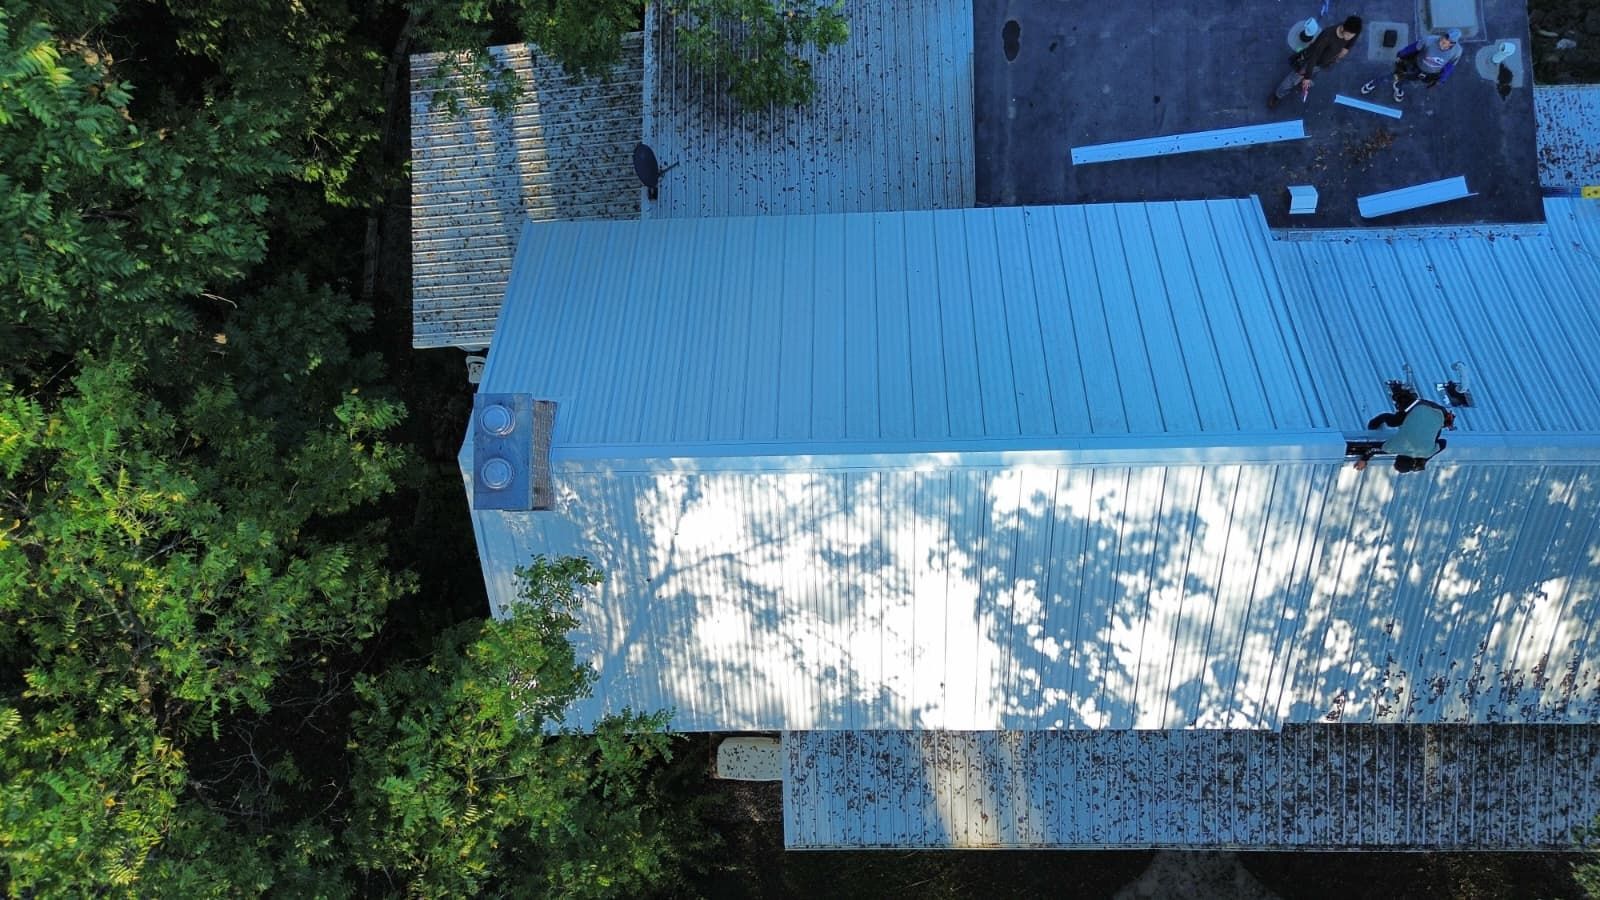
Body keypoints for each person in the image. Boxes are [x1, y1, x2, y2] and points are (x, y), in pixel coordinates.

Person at [1269, 15, 1364, 109]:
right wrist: (1307, 77)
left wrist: (1346, 48)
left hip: (1323, 63)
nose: (1349, 38)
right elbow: (1314, 56)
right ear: (1343, 28)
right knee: (1292, 80)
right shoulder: (1327, 36)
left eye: (1352, 36)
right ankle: (1278, 95)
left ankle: (1305, 79)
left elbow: (1353, 38)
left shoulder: (1352, 31)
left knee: (1311, 74)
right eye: (1348, 35)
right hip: (1311, 62)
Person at [1352, 398, 1456, 472]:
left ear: (1413, 462)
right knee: (1394, 422)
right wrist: (1363, 460)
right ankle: (1376, 422)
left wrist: (1426, 459)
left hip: (1441, 412)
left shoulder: (1426, 453)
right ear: (1397, 457)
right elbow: (1373, 449)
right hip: (1417, 404)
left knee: (1435, 435)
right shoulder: (1392, 448)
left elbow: (1443, 442)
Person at [1361, 29, 1463, 102]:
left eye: (1445, 43)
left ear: (1452, 44)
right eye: (1442, 40)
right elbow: (1413, 48)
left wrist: (1442, 79)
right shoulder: (1429, 40)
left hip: (1429, 74)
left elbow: (1450, 66)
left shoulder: (1457, 51)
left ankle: (1398, 87)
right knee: (1394, 76)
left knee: (1408, 81)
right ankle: (1374, 83)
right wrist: (1401, 54)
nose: (1441, 43)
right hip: (1415, 66)